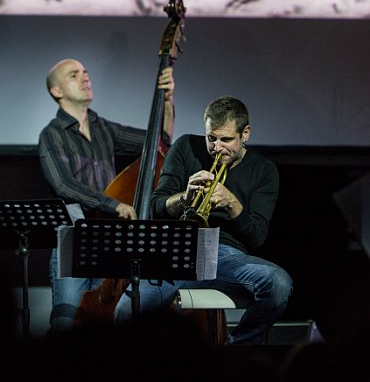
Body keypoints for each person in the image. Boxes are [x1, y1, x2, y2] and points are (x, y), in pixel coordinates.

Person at [114, 95, 293, 345]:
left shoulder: (264, 170)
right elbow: (156, 207)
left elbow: (257, 237)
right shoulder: (186, 146)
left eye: (226, 139)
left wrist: (233, 204)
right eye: (212, 138)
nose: (217, 148)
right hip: (178, 251)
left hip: (226, 257)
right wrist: (185, 198)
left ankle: (235, 352)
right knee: (125, 312)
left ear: (246, 134)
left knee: (279, 284)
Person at [38, 57, 175, 335]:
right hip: (73, 240)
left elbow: (159, 141)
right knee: (66, 323)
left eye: (86, 72)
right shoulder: (51, 135)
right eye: (74, 75)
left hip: (109, 239)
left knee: (103, 324)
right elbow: (64, 185)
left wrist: (168, 99)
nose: (85, 77)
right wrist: (113, 204)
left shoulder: (103, 127)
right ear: (57, 91)